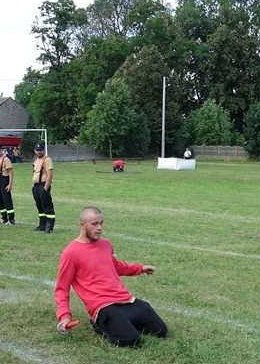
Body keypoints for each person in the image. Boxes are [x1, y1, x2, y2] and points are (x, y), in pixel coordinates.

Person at [55, 206, 168, 347]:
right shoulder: (70, 253)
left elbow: (116, 266)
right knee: (131, 340)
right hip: (103, 306)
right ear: (82, 226)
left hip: (125, 300)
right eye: (94, 224)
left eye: (101, 223)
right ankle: (99, 326)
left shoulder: (106, 244)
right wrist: (64, 316)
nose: (99, 228)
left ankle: (124, 322)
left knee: (160, 331)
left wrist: (140, 268)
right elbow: (62, 288)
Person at [31, 141, 55, 233]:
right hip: (36, 186)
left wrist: (46, 187)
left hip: (43, 184)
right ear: (34, 151)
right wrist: (33, 186)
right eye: (37, 150)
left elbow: (49, 174)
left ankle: (49, 226)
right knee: (39, 206)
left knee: (47, 205)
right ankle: (42, 225)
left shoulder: (47, 160)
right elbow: (34, 173)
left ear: (43, 150)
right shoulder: (36, 160)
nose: (39, 152)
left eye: (40, 150)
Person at [0, 144, 15, 225]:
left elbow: (10, 172)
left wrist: (10, 184)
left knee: (6, 199)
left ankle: (11, 218)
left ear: (2, 150)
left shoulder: (5, 159)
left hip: (4, 179)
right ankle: (4, 217)